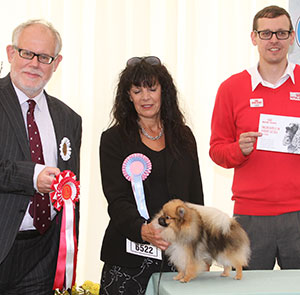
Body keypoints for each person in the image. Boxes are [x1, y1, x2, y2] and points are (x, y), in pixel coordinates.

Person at [99, 56, 204, 294]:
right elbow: (116, 200)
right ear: (128, 96)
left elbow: (195, 196)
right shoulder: (113, 140)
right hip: (128, 257)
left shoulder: (184, 136)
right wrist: (143, 230)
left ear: (163, 92)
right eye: (137, 91)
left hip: (178, 257)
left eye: (152, 89)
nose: (145, 97)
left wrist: (199, 248)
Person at [209, 5, 300, 270]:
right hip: (250, 217)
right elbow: (216, 150)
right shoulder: (231, 88)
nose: (274, 40)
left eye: (282, 33)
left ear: (292, 37)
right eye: (266, 33)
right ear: (254, 38)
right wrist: (239, 149)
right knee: (248, 288)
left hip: (297, 212)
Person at [0, 19, 82, 294]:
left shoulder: (69, 119)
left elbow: (73, 194)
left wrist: (67, 253)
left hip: (43, 257)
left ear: (56, 63)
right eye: (27, 53)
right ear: (11, 53)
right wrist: (33, 176)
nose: (35, 63)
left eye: (44, 57)